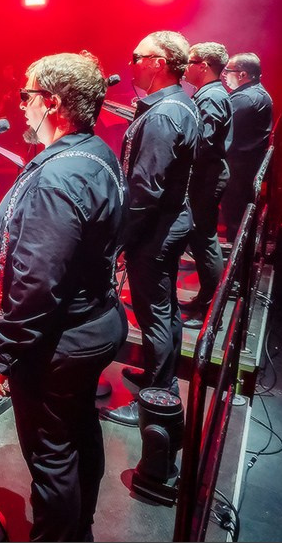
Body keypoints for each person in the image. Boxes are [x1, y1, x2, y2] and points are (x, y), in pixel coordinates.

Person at [0, 52, 128, 542]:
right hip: (94, 323)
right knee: (79, 429)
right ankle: (79, 529)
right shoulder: (94, 152)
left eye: (26, 95)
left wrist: (1, 355)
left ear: (53, 102)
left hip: (60, 340)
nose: (20, 106)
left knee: (51, 454)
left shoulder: (59, 175)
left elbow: (37, 283)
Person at [101, 31, 199, 427]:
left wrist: (121, 239)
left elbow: (145, 191)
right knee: (166, 311)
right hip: (171, 223)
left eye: (137, 56)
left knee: (154, 314)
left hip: (157, 230)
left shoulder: (162, 115)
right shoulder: (177, 104)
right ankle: (160, 380)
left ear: (159, 63)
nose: (131, 63)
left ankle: (156, 399)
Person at [179, 43, 233, 329]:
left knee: (204, 242)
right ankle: (205, 301)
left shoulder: (211, 98)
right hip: (208, 176)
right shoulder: (208, 95)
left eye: (190, 62)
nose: (185, 67)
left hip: (207, 178)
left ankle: (209, 312)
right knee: (202, 241)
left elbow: (203, 143)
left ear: (203, 66)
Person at [219, 52, 274, 243]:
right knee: (237, 217)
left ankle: (236, 265)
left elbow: (219, 127)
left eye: (228, 70)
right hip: (244, 166)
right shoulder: (255, 94)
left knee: (236, 218)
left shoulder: (245, 99)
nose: (224, 74)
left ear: (242, 75)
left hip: (239, 169)